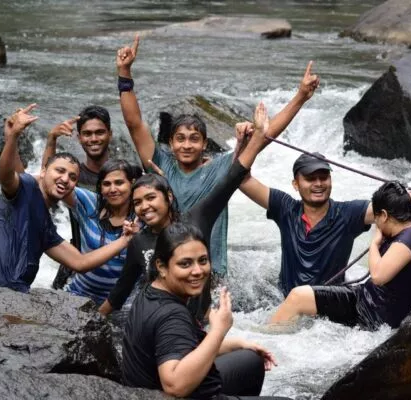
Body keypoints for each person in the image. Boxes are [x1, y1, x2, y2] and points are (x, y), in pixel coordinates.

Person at [116, 34, 319, 277]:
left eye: (194, 139)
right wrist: (124, 73)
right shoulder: (160, 165)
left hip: (209, 272)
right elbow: (134, 123)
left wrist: (301, 96)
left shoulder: (221, 168)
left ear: (204, 144)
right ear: (170, 144)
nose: (187, 145)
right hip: (167, 271)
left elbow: (263, 137)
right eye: (180, 139)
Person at [99, 102, 272, 321]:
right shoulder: (138, 242)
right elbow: (119, 293)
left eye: (151, 198)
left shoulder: (195, 223)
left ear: (168, 197)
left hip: (193, 324)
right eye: (138, 202)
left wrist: (257, 136)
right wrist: (91, 320)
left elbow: (234, 176)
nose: (145, 206)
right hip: (156, 323)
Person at [239, 146, 411, 296]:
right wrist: (247, 142)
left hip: (326, 305)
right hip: (285, 300)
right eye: (311, 179)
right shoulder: (285, 207)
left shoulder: (347, 213)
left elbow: (403, 205)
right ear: (296, 184)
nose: (319, 184)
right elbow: (242, 179)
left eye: (324, 177)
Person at [267, 179, 411, 330]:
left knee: (297, 297)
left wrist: (374, 243)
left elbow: (378, 276)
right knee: (299, 296)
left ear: (384, 215)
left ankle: (268, 337)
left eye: (377, 218)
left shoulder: (409, 239)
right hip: (365, 299)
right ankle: (270, 333)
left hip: (372, 315)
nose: (376, 223)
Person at [0, 105, 138, 293]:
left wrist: (125, 240)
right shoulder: (24, 188)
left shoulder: (47, 230)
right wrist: (13, 136)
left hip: (18, 301)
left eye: (72, 177)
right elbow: (6, 176)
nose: (65, 179)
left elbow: (80, 262)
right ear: (43, 170)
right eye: (60, 171)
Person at [122, 223, 290, 400]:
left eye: (203, 260)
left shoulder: (150, 292)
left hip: (145, 392)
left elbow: (184, 348)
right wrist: (219, 330)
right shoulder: (172, 315)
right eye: (185, 264)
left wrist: (238, 343)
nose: (198, 271)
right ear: (162, 267)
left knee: (251, 360)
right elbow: (174, 386)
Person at [42, 106, 115, 289]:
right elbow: (46, 183)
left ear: (110, 134)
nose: (94, 139)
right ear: (79, 137)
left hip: (116, 264)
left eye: (99, 132)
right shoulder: (73, 176)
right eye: (87, 134)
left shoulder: (122, 175)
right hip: (76, 262)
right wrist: (52, 139)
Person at [60, 159, 143, 304]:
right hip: (79, 292)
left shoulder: (143, 217)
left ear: (132, 183)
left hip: (122, 303)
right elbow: (55, 183)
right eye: (106, 184)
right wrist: (52, 141)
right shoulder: (89, 203)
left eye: (119, 183)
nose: (112, 189)